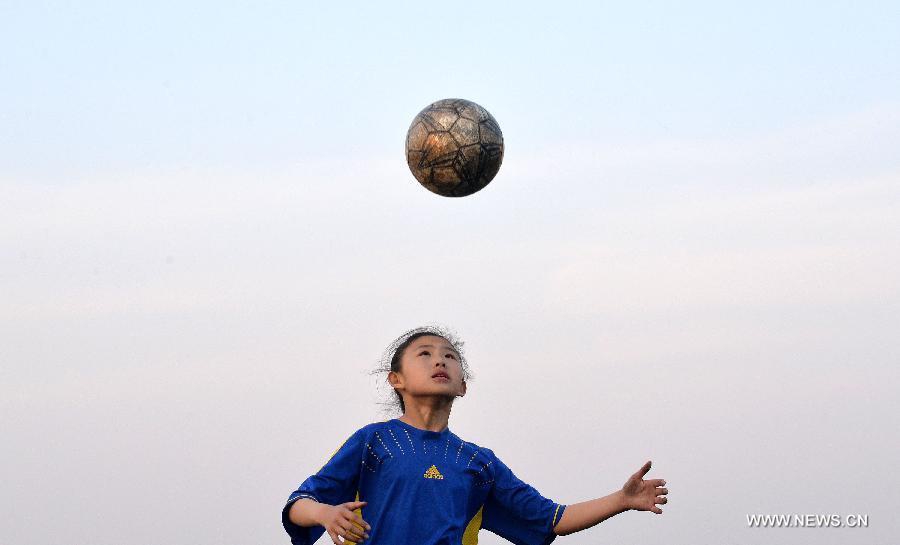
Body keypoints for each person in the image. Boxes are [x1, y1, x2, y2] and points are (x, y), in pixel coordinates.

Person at [282, 325, 669, 545]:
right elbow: (299, 503)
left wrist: (621, 499)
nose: (440, 360)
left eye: (450, 357)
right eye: (425, 354)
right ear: (395, 380)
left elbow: (551, 518)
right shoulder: (373, 442)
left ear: (463, 386)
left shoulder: (478, 463)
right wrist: (325, 512)